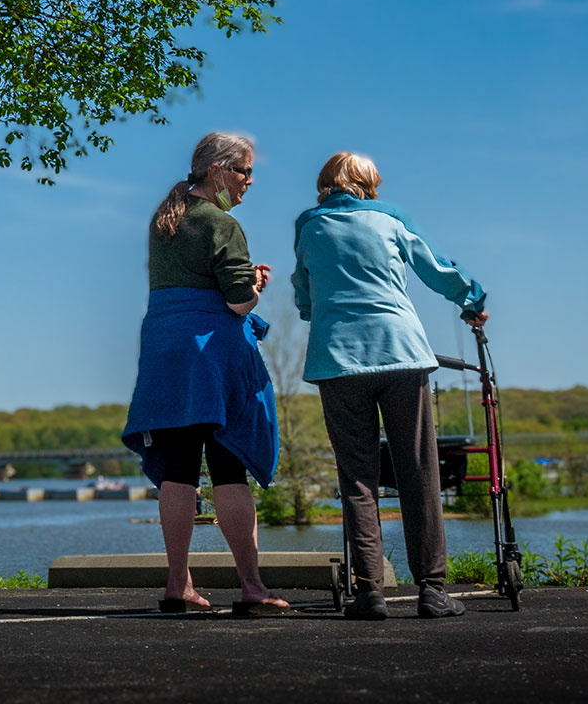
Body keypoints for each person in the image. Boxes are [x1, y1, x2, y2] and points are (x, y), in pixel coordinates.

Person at [292, 151, 488, 621]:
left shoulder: (308, 225)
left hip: (337, 360)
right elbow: (434, 267)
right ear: (368, 183)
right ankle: (433, 591)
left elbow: (304, 287)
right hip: (399, 353)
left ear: (326, 183)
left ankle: (370, 592)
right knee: (419, 470)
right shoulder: (389, 218)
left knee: (357, 479)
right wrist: (472, 299)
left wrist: (315, 313)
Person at [123, 131, 287, 615]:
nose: (250, 181)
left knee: (177, 471)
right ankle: (252, 588)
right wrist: (255, 285)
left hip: (164, 351)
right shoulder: (222, 224)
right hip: (211, 356)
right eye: (245, 171)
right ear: (218, 170)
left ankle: (179, 585)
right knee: (228, 468)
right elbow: (238, 302)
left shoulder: (165, 218)